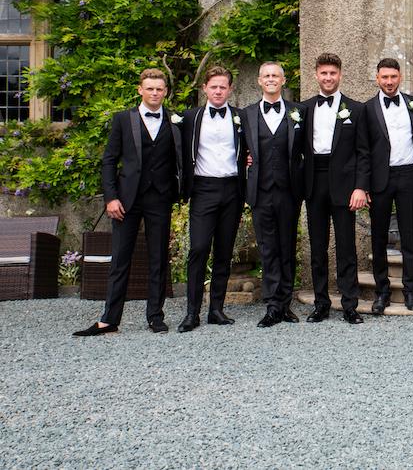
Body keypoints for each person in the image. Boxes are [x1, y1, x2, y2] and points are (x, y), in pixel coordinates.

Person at [74, 68, 182, 336]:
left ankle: (155, 316)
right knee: (120, 259)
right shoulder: (123, 119)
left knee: (158, 259)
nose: (155, 93)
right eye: (150, 88)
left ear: (166, 92)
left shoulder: (175, 120)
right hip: (126, 200)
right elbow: (109, 160)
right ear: (140, 90)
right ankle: (110, 319)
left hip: (160, 198)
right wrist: (111, 197)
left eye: (159, 89)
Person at [178, 66, 246, 333]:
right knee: (198, 248)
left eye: (223, 87)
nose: (218, 91)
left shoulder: (241, 117)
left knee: (224, 252)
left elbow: (250, 146)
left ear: (230, 89)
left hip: (232, 189)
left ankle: (216, 309)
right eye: (213, 86)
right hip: (203, 188)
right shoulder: (189, 118)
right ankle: (192, 312)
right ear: (205, 88)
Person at [302, 53, 366, 325]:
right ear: (316, 75)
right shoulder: (303, 109)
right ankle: (321, 304)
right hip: (314, 181)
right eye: (324, 73)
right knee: (318, 247)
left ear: (340, 75)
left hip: (344, 184)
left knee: (346, 246)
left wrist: (360, 187)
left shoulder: (356, 109)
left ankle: (350, 305)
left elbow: (363, 152)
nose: (328, 78)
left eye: (333, 73)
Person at [242, 62, 305, 328]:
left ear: (283, 80)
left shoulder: (298, 112)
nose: (271, 79)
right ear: (259, 81)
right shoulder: (246, 114)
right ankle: (272, 305)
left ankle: (285, 303)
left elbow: (307, 149)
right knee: (267, 249)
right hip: (260, 191)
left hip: (289, 191)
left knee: (287, 246)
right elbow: (237, 150)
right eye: (266, 76)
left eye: (275, 76)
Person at [357, 57, 413, 313]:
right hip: (380, 179)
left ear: (400, 77)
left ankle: (410, 291)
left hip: (409, 175)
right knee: (379, 237)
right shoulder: (367, 109)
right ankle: (381, 292)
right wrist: (364, 186)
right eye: (384, 77)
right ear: (377, 79)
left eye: (393, 77)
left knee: (409, 236)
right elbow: (363, 151)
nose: (389, 82)